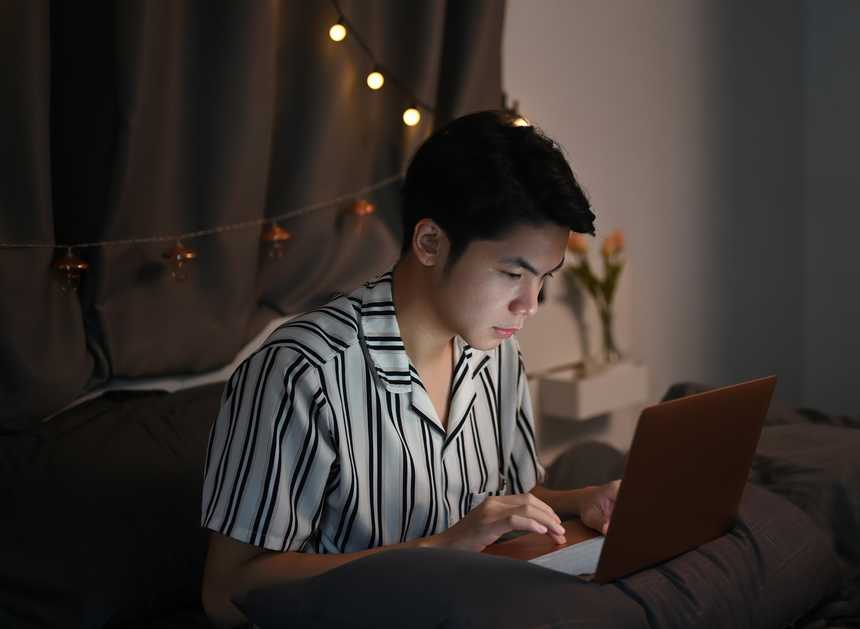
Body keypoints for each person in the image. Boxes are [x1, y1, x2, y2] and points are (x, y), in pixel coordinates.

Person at [199, 110, 619, 627]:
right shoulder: (301, 373)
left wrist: (582, 501)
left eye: (544, 279)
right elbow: (227, 593)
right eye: (512, 273)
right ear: (430, 243)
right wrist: (437, 549)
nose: (529, 305)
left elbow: (506, 505)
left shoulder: (499, 354)